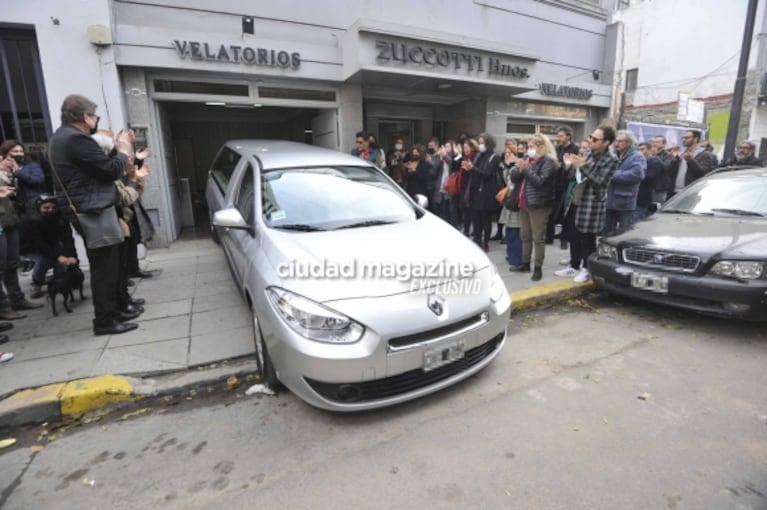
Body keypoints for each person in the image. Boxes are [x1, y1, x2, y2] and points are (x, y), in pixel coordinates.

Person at [49, 94, 139, 336]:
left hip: (91, 207)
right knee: (105, 269)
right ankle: (106, 321)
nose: (97, 120)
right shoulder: (76, 139)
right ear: (85, 116)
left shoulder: (65, 138)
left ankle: (116, 311)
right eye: (95, 116)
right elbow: (109, 172)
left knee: (111, 263)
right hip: (92, 210)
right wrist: (121, 151)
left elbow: (96, 168)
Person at [562, 125, 619, 283]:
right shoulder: (588, 153)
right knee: (573, 234)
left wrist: (583, 166)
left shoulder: (611, 159)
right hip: (577, 197)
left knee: (586, 238)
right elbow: (575, 174)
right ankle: (574, 266)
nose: (591, 141)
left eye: (595, 139)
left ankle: (587, 269)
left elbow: (601, 180)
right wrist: (571, 166)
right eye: (591, 137)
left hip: (592, 202)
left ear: (606, 142)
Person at [0, 153, 43, 319]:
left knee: (12, 263)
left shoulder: (7, 172)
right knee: (1, 265)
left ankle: (16, 299)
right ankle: (3, 306)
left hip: (10, 219)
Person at [509, 134, 557, 281]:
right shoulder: (528, 160)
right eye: (528, 147)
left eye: (531, 147)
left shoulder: (549, 162)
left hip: (539, 205)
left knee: (538, 238)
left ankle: (538, 268)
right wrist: (519, 168)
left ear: (542, 147)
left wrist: (526, 169)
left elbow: (540, 182)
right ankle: (525, 263)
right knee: (525, 236)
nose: (528, 150)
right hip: (524, 202)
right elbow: (514, 178)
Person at [22, 194, 78, 299]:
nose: (50, 210)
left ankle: (59, 280)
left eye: (53, 208)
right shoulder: (30, 221)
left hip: (52, 243)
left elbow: (67, 239)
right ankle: (36, 283)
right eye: (46, 208)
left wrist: (72, 256)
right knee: (45, 260)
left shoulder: (60, 218)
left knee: (63, 259)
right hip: (30, 247)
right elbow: (38, 243)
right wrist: (57, 256)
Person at [462, 133, 501, 252]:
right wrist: (469, 168)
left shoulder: (495, 157)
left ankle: (485, 242)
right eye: (479, 143)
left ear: (488, 143)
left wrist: (473, 168)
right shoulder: (478, 156)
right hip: (476, 191)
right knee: (476, 218)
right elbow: (475, 172)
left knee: (486, 219)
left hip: (487, 193)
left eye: (482, 143)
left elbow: (487, 174)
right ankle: (477, 240)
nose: (480, 145)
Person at [603, 130, 646, 235]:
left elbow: (636, 175)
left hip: (625, 201)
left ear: (629, 142)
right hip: (608, 200)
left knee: (625, 232)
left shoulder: (637, 156)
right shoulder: (611, 154)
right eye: (616, 141)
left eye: (621, 141)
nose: (617, 144)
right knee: (606, 231)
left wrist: (611, 175)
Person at [551, 126, 581, 249]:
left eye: (561, 136)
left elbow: (575, 165)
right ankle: (550, 234)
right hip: (555, 182)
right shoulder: (557, 148)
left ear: (568, 136)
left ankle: (565, 238)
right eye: (558, 136)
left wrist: (563, 165)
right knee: (553, 211)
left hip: (567, 184)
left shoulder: (575, 149)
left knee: (565, 212)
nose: (559, 138)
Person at [0, 140, 46, 218]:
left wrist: (19, 173)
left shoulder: (31, 165)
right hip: (14, 210)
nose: (19, 154)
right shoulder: (3, 167)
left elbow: (38, 181)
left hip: (33, 205)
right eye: (15, 151)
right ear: (6, 153)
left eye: (21, 151)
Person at [667, 130, 717, 198]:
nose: (684, 140)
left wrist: (690, 160)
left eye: (687, 138)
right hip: (675, 192)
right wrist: (675, 159)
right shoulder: (682, 153)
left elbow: (702, 173)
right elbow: (669, 172)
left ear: (695, 139)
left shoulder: (704, 154)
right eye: (683, 138)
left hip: (691, 193)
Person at [499, 140, 522, 269]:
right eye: (506, 153)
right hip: (509, 200)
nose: (507, 155)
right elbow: (505, 180)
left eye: (510, 153)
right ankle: (511, 255)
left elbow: (513, 180)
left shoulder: (518, 166)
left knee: (515, 232)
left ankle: (516, 258)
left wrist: (510, 166)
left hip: (515, 202)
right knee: (509, 231)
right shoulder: (508, 166)